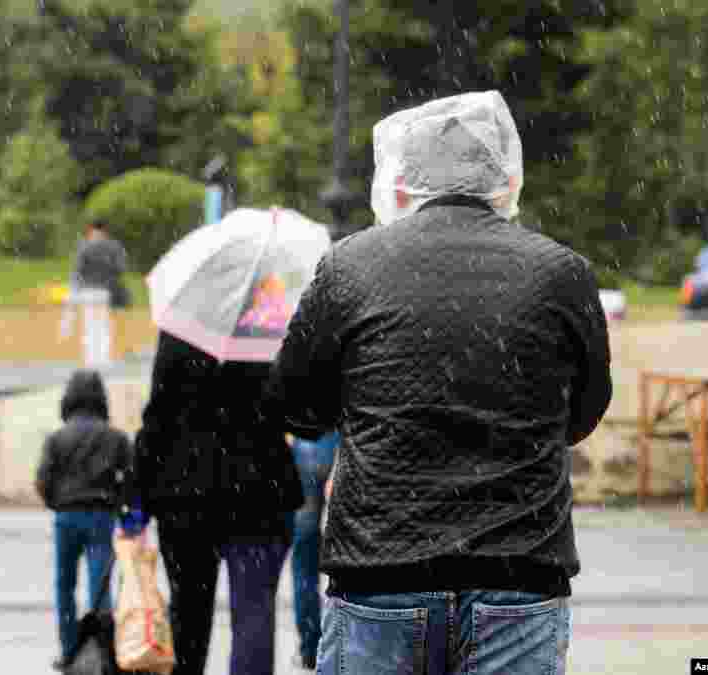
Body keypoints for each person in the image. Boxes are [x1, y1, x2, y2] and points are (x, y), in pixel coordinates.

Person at [268, 91, 613, 675]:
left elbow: (292, 403)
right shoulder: (562, 272)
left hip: (380, 571)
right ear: (504, 180)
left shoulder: (349, 265)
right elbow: (582, 415)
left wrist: (359, 406)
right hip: (519, 573)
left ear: (404, 182)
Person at [134, 330, 304, 675]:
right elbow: (293, 410)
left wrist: (137, 494)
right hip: (258, 492)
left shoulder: (185, 328)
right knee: (254, 613)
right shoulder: (269, 327)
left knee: (188, 614)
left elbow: (158, 416)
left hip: (186, 495)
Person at [35, 369, 148, 671]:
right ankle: (103, 652)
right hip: (101, 517)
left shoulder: (57, 439)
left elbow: (44, 480)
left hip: (67, 518)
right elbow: (131, 481)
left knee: (65, 585)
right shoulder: (116, 439)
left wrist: (57, 503)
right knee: (101, 588)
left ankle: (70, 650)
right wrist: (128, 516)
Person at [287, 429, 339, 672]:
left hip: (306, 441)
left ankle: (310, 647)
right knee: (342, 552)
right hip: (339, 443)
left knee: (303, 556)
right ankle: (337, 643)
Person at [64, 221, 130, 367]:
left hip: (88, 291)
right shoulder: (114, 247)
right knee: (103, 326)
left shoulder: (85, 246)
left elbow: (77, 271)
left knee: (90, 327)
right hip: (105, 291)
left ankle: (90, 359)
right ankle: (103, 359)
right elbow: (121, 268)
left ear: (90, 231)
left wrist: (74, 289)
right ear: (105, 232)